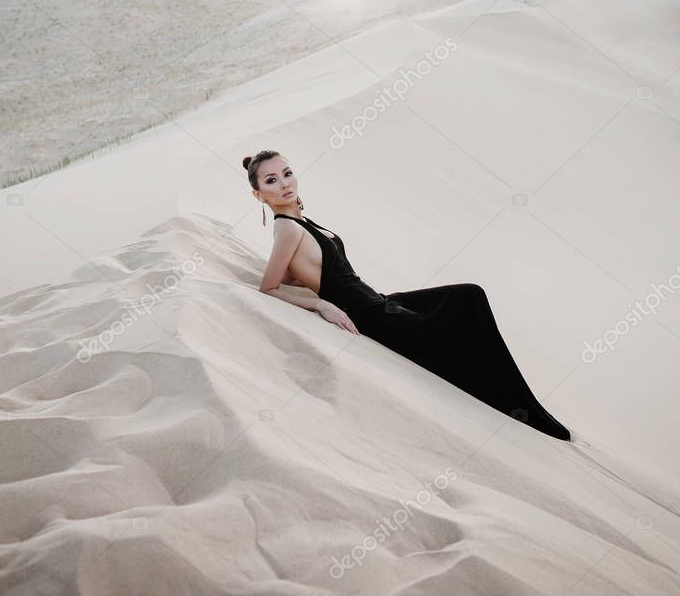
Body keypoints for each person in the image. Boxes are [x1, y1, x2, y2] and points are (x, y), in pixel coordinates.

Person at [243, 149, 571, 441]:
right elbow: (268, 288)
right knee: (468, 301)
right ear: (259, 195)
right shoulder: (286, 228)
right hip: (372, 317)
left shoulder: (299, 221)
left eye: (287, 173)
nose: (285, 183)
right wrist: (320, 304)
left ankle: (518, 402)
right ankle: (524, 408)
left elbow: (293, 271)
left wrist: (305, 278)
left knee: (465, 299)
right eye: (272, 181)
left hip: (379, 301)